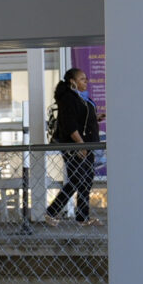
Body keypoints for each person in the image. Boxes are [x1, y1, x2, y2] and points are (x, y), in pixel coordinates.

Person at [44, 67, 99, 223]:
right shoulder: (68, 99)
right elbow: (70, 125)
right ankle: (52, 212)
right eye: (82, 79)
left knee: (86, 179)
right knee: (78, 179)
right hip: (76, 147)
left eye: (85, 78)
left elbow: (80, 119)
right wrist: (80, 144)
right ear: (72, 82)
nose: (86, 81)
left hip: (87, 146)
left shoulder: (78, 98)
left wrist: (95, 118)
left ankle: (82, 216)